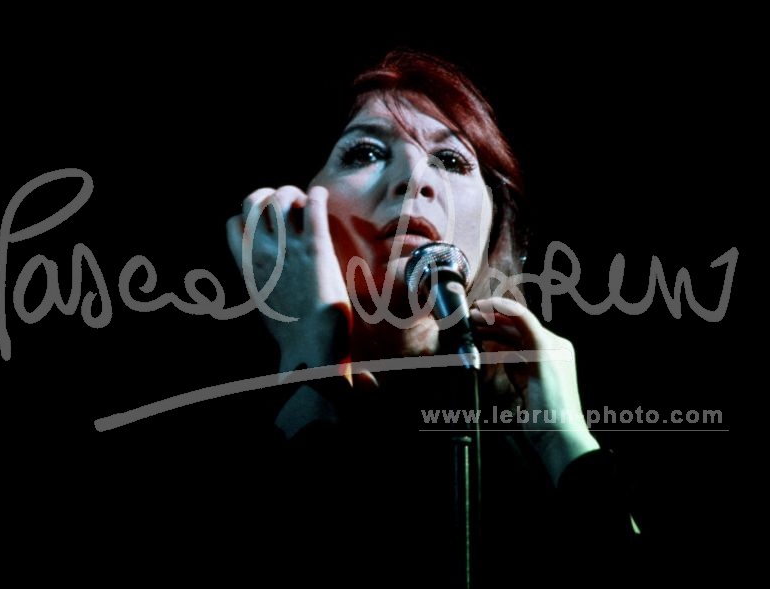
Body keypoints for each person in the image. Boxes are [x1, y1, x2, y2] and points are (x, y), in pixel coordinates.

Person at [227, 49, 641, 585]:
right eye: (366, 152)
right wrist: (309, 365)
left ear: (489, 227)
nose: (415, 179)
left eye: (451, 161)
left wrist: (566, 441)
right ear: (296, 206)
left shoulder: (526, 443)